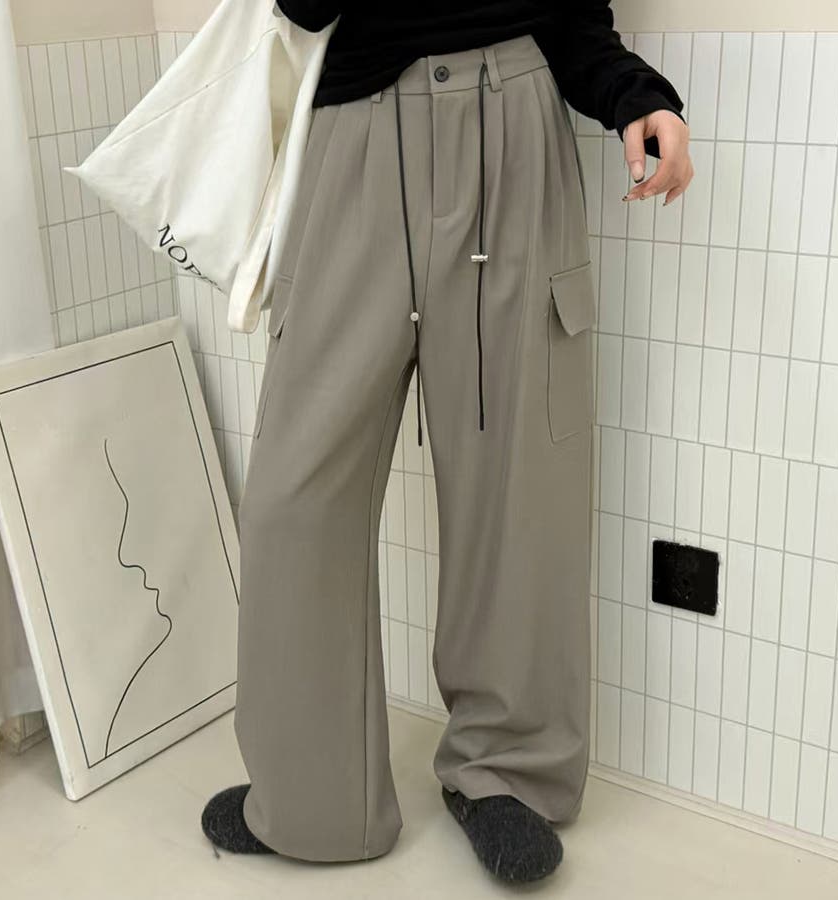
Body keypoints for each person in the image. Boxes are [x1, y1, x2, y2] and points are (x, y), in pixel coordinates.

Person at [202, 0, 693, 884]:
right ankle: (310, 796)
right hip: (350, 146)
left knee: (520, 478)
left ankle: (506, 775)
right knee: (293, 493)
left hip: (515, 135)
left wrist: (635, 95)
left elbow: (575, 18)